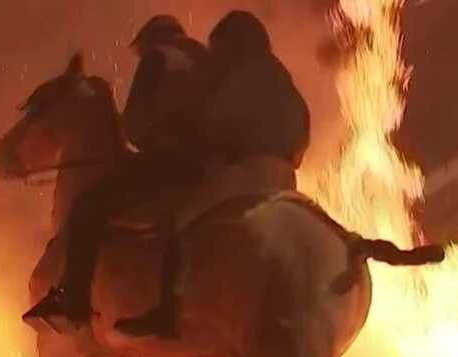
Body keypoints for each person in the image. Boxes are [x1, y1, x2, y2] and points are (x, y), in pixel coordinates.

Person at [114, 10, 311, 339]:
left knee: (180, 222)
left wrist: (177, 132)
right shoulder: (277, 75)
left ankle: (166, 313)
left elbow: (215, 125)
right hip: (286, 178)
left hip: (248, 173)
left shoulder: (241, 79)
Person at [24, 15, 210, 327]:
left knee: (87, 209)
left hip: (172, 163)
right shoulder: (205, 60)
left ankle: (73, 302)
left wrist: (136, 139)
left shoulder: (158, 58)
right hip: (211, 165)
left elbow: (135, 125)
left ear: (150, 42)